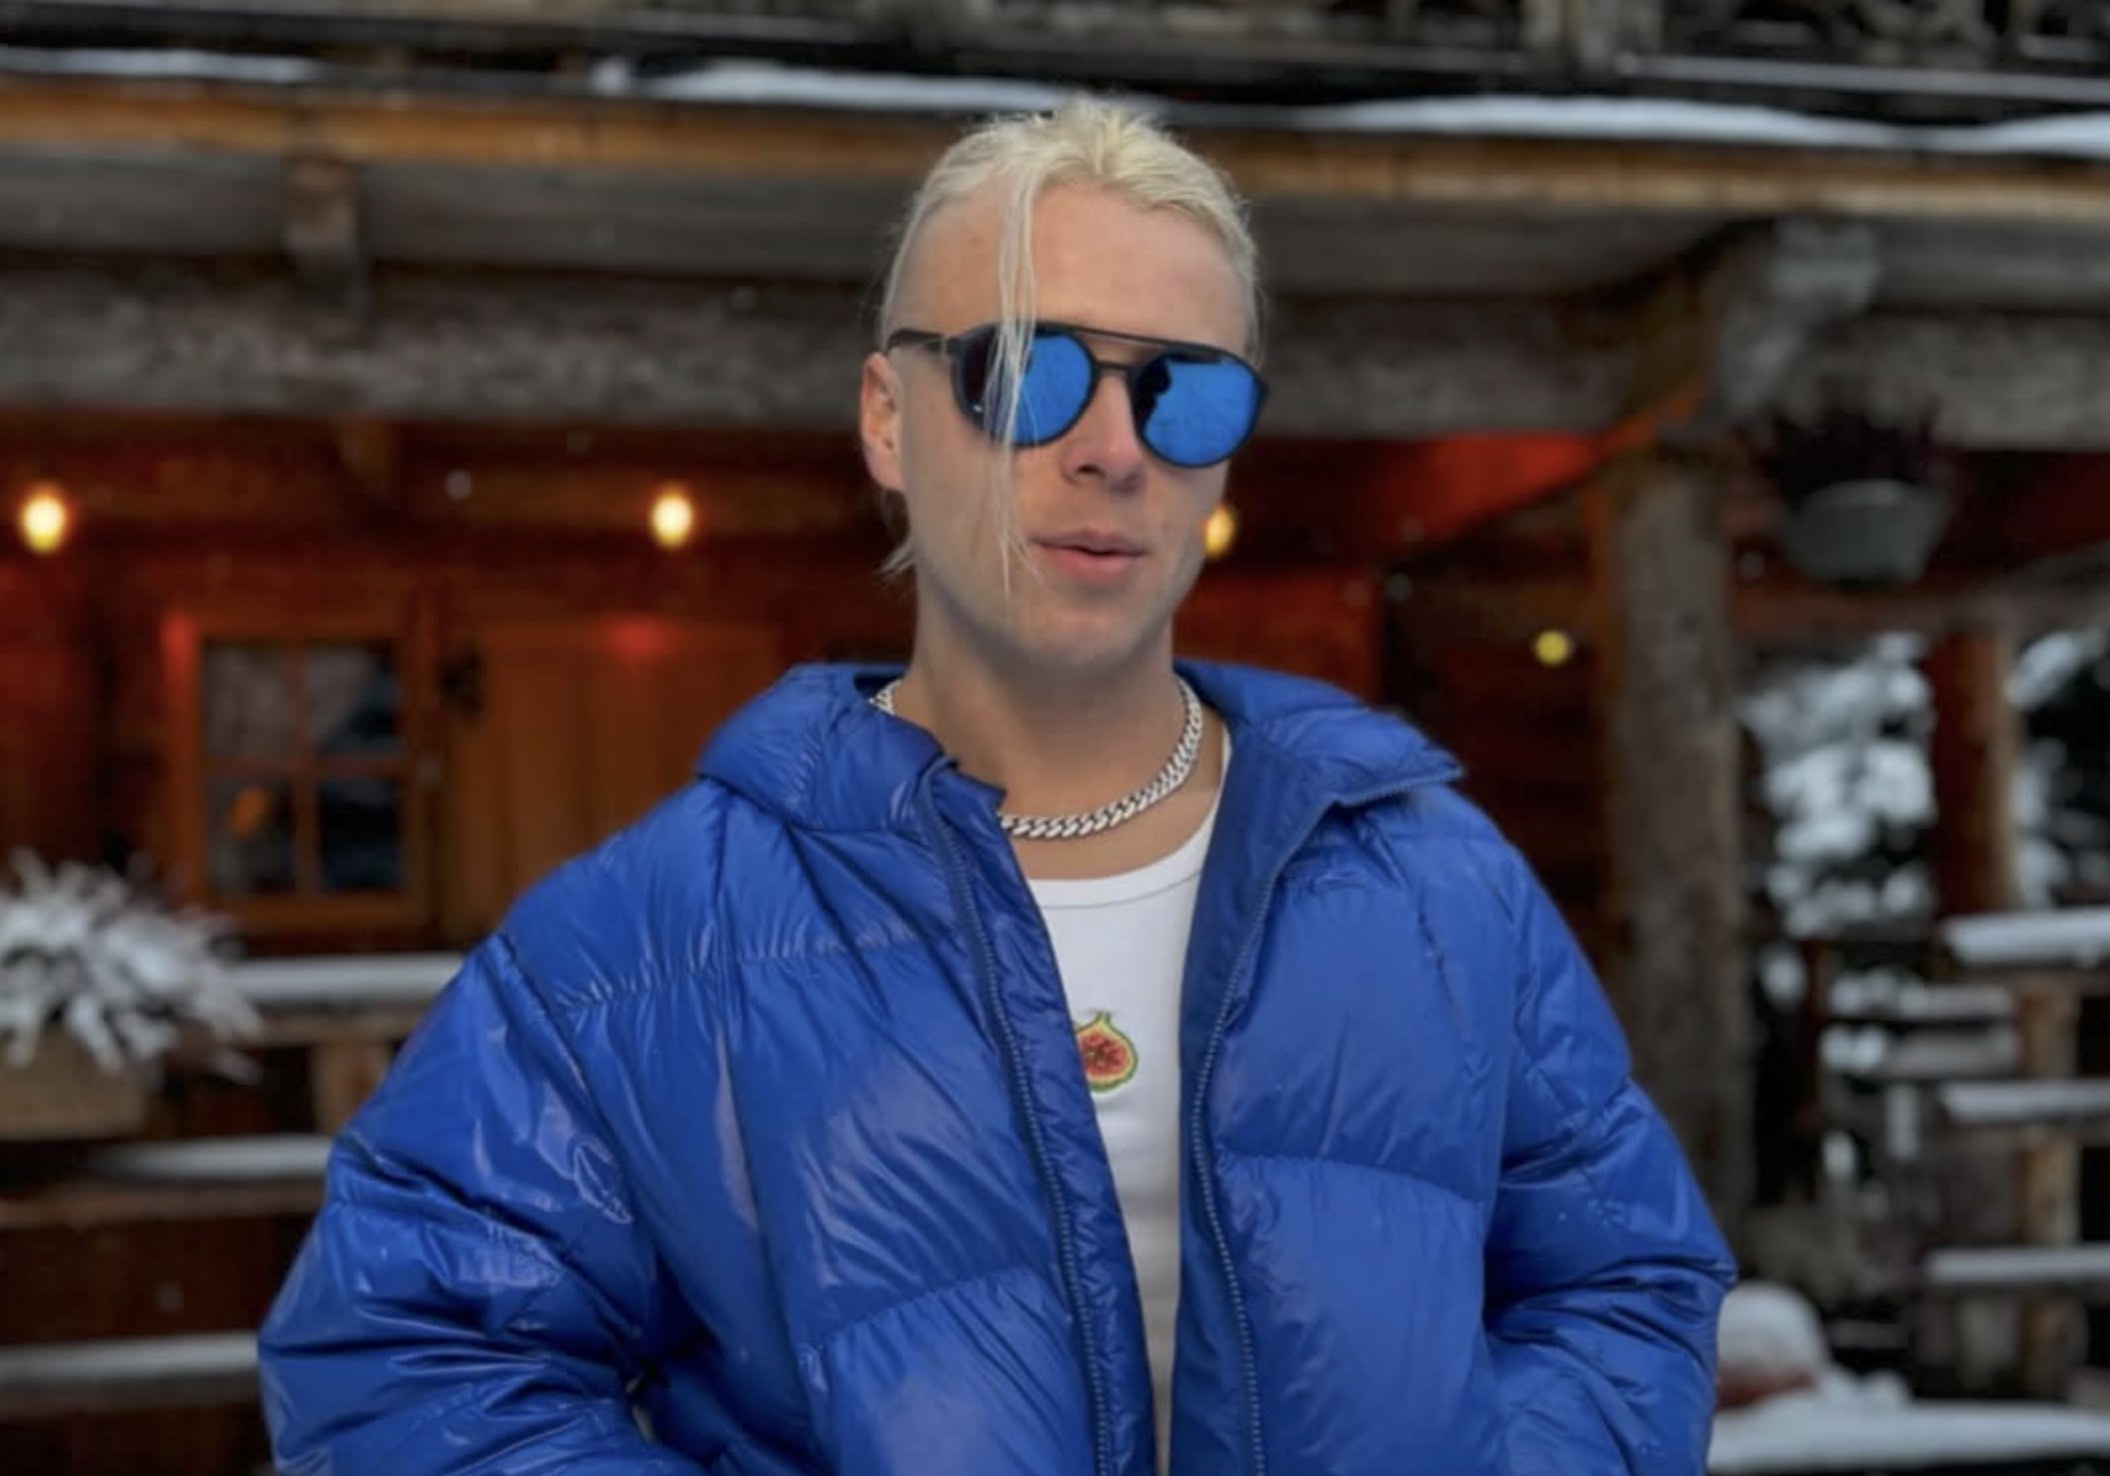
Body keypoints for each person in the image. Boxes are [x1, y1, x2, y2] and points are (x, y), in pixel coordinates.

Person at [259, 97, 1735, 1475]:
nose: (1112, 451)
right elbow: (402, 1365)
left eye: (1185, 395)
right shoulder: (641, 942)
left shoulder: (1434, 883)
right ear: (886, 418)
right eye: (1025, 371)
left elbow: (1623, 1280)